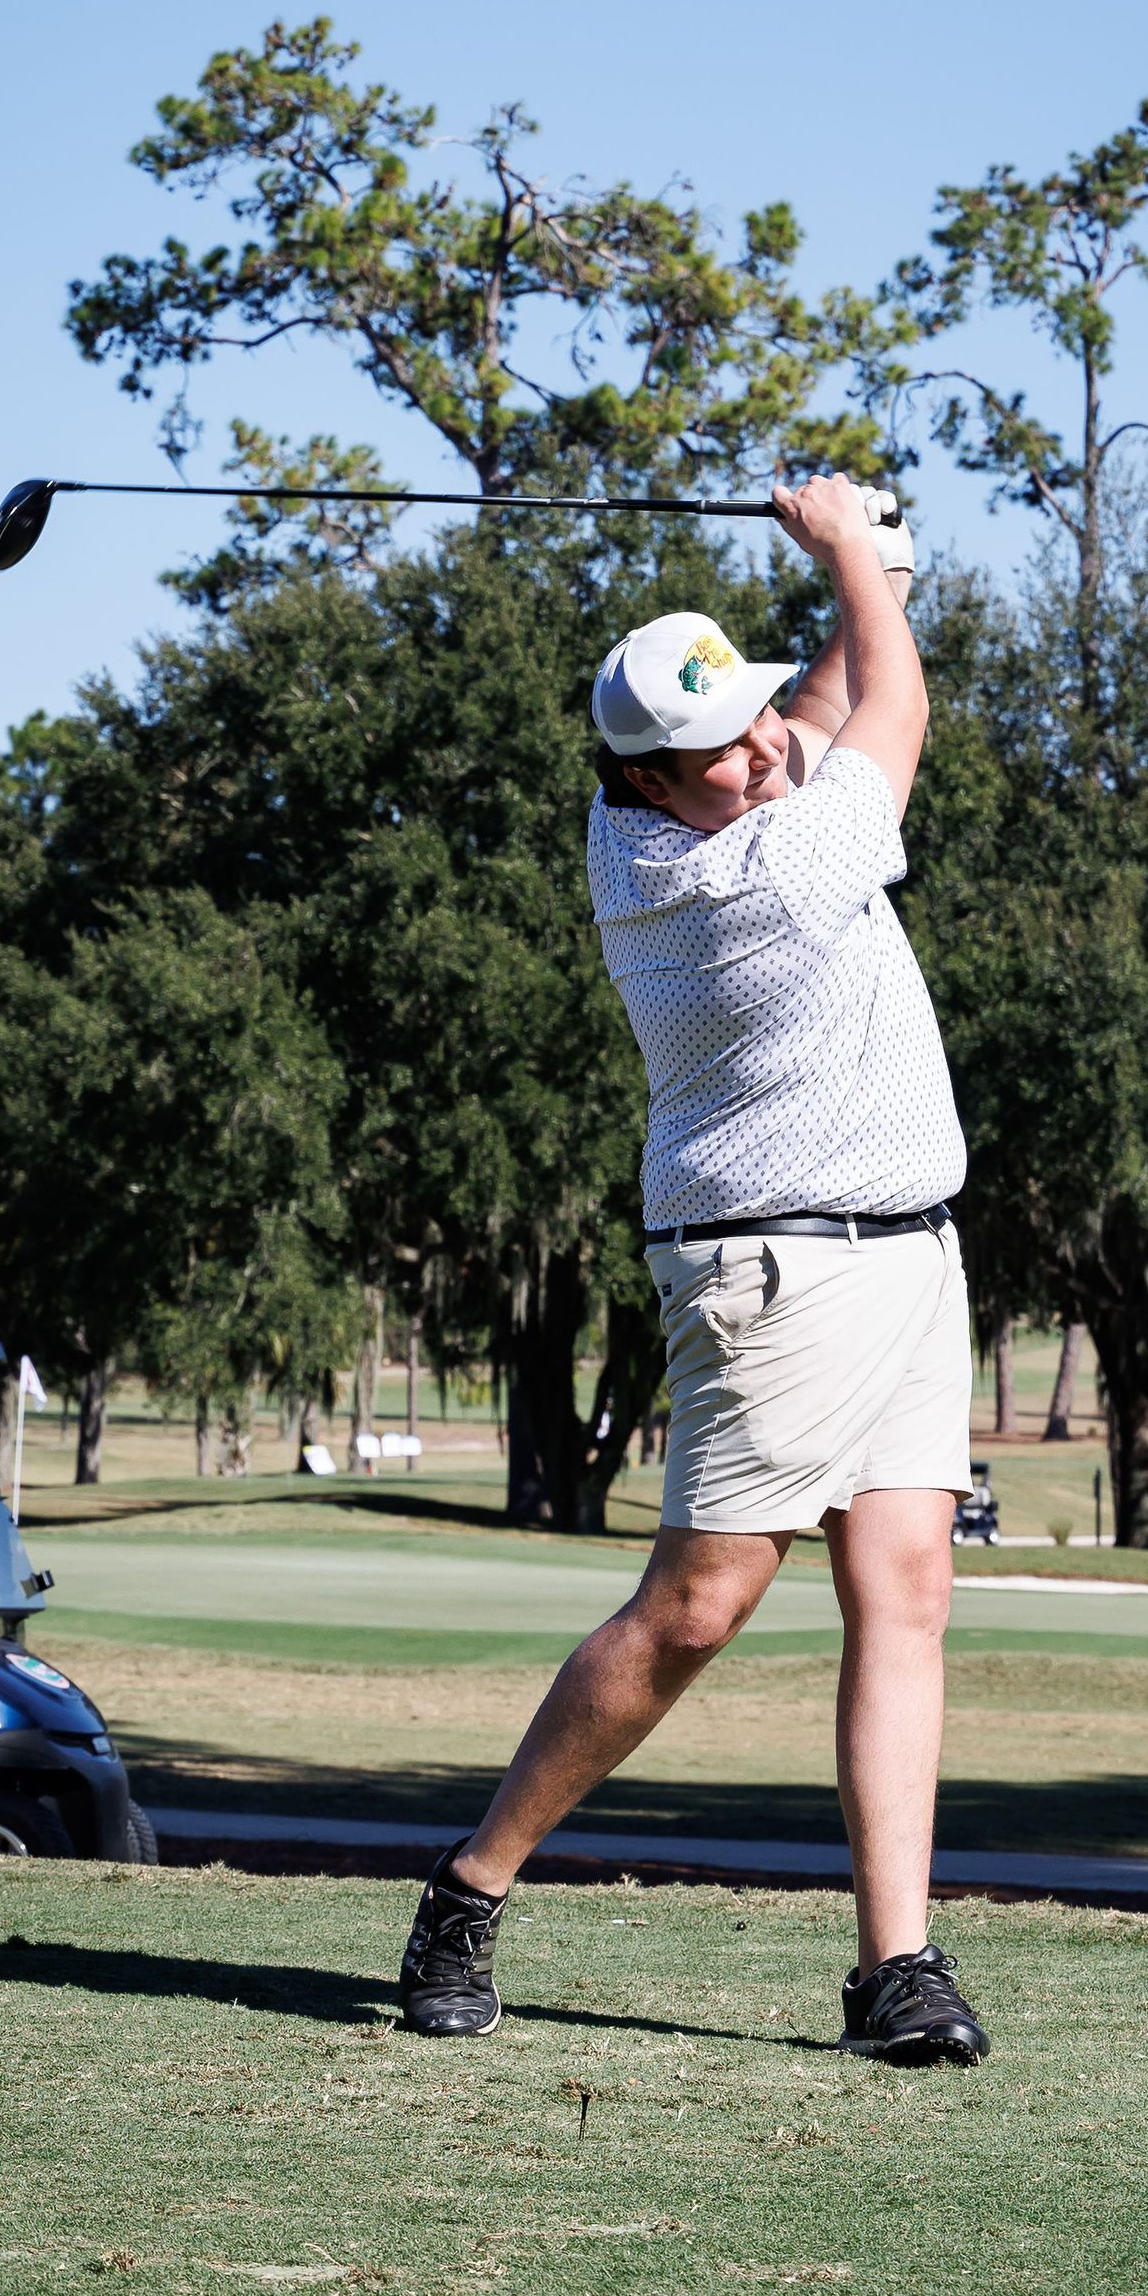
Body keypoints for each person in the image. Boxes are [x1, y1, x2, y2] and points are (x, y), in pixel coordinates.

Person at [399, 469, 989, 2065]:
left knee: (906, 1594)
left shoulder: (699, 797)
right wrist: (857, 558)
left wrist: (868, 580)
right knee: (699, 1609)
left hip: (910, 1253)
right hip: (776, 1274)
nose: (759, 753)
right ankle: (469, 1887)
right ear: (644, 785)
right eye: (716, 751)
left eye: (751, 722)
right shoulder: (746, 879)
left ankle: (896, 1970)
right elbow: (889, 710)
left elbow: (817, 707)